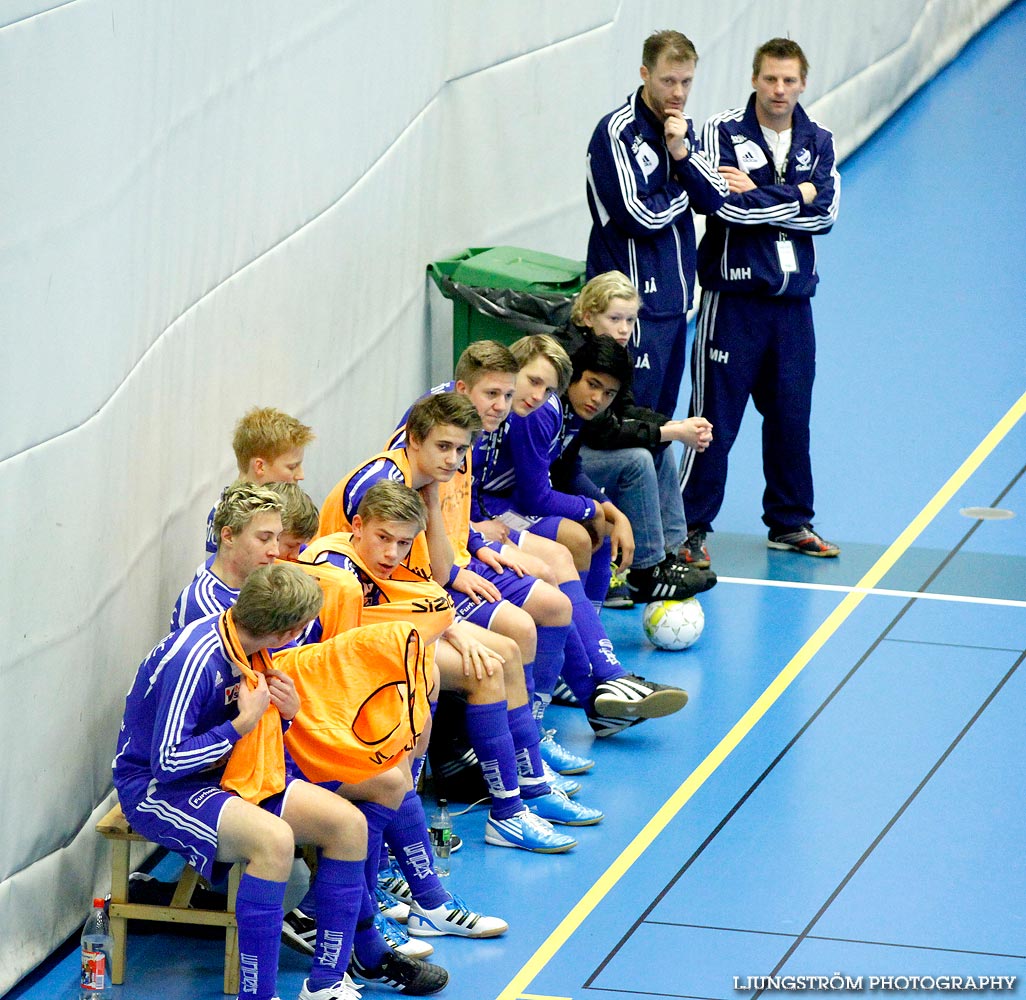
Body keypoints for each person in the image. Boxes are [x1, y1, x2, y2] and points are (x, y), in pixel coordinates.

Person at [113, 562, 448, 1000]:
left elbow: (257, 734)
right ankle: (259, 995)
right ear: (285, 632)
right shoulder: (194, 659)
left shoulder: (252, 645)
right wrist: (241, 724)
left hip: (232, 771)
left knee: (349, 827)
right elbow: (167, 763)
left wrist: (285, 716)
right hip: (160, 790)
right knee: (274, 842)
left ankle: (326, 983)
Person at [175, 483, 449, 976]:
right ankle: (358, 935)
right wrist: (271, 716)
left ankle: (377, 912)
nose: (280, 552)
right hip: (230, 767)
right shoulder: (209, 611)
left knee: (391, 769)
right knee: (351, 816)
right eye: (269, 539)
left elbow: (280, 682)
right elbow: (205, 729)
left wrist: (295, 708)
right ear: (228, 536)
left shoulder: (260, 592)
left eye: (285, 541)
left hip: (268, 745)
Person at [317, 398, 595, 848]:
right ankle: (506, 808)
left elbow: (439, 571)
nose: (453, 459)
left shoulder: (426, 481)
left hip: (399, 614)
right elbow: (368, 585)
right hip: (355, 629)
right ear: (413, 440)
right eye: (443, 447)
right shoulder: (385, 487)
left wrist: (431, 501)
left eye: (461, 450)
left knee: (502, 650)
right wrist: (445, 625)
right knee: (490, 665)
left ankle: (527, 788)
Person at [387, 340, 592, 777]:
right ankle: (522, 765)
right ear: (463, 388)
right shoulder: (433, 438)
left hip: (458, 554)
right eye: (493, 394)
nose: (504, 405)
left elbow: (458, 512)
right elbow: (411, 542)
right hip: (427, 581)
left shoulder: (467, 431)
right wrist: (456, 575)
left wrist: (477, 546)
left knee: (555, 604)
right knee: (518, 629)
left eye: (507, 394)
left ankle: (533, 739)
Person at [473, 335, 690, 738]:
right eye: (592, 385)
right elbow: (531, 494)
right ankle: (599, 676)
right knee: (569, 545)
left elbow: (566, 472)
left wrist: (608, 511)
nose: (597, 398)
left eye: (608, 393)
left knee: (594, 533)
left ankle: (595, 670)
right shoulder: (533, 412)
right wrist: (597, 508)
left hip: (494, 509)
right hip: (491, 513)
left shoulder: (553, 410)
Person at [679, 38, 841, 567]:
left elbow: (826, 217)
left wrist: (762, 193)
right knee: (712, 423)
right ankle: (690, 527)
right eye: (770, 79)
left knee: (793, 418)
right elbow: (724, 209)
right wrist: (799, 193)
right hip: (733, 304)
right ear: (754, 79)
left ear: (802, 83)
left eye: (789, 80)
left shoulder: (819, 139)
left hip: (794, 309)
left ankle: (790, 523)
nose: (778, 90)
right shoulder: (721, 131)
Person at [586, 29, 728, 417]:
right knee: (627, 420)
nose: (678, 92)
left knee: (661, 420)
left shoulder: (681, 129)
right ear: (645, 73)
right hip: (628, 311)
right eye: (668, 81)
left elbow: (715, 197)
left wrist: (681, 153)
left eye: (686, 82)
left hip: (675, 304)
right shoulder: (615, 133)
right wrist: (683, 187)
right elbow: (637, 215)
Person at [554, 271, 717, 607]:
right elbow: (604, 429)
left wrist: (674, 425)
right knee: (638, 460)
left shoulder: (612, 351)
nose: (624, 329)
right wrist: (671, 431)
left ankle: (671, 555)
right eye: (615, 318)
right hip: (562, 461)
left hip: (577, 453)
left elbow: (625, 410)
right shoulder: (575, 356)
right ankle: (647, 571)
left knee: (658, 450)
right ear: (587, 316)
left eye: (630, 320)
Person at [205, 406, 315, 553]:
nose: (301, 475)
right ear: (259, 466)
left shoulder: (277, 506)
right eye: (292, 467)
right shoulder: (230, 516)